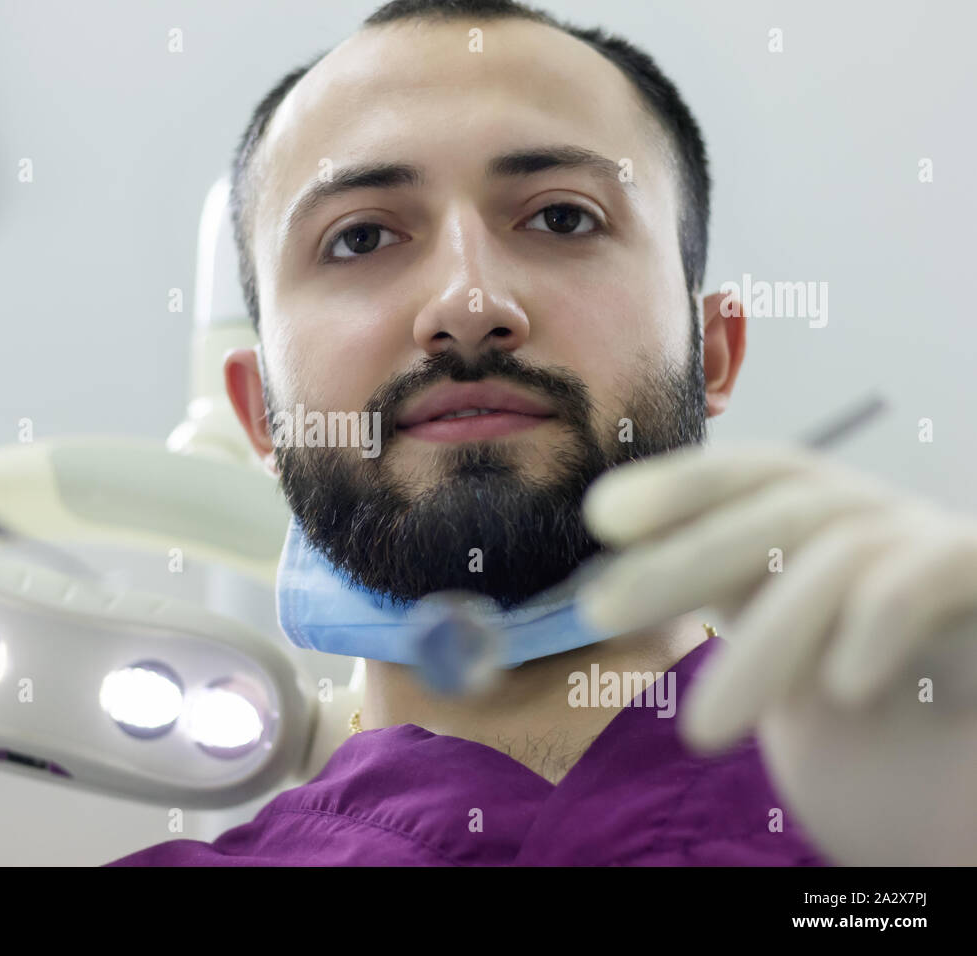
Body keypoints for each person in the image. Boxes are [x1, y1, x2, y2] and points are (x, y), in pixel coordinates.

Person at [107, 0, 977, 865]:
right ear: (259, 411)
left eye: (563, 217)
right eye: (361, 236)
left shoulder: (922, 793)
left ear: (712, 352)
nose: (469, 305)